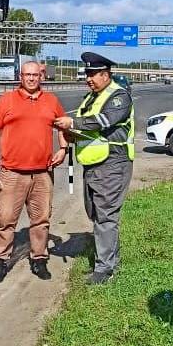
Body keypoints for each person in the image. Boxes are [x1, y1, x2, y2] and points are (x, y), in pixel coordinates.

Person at [54, 52, 134, 285]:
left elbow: (104, 121)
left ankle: (104, 270)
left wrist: (73, 123)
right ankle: (111, 259)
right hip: (93, 164)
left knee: (106, 216)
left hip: (112, 163)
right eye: (86, 74)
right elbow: (89, 130)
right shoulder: (91, 97)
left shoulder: (118, 96)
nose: (88, 78)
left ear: (106, 74)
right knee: (96, 213)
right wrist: (71, 134)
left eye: (92, 74)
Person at [0, 61, 68, 283]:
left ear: (41, 76)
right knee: (5, 218)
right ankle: (1, 260)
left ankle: (39, 259)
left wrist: (63, 148)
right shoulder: (7, 100)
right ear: (20, 76)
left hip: (42, 174)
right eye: (27, 75)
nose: (31, 78)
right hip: (12, 173)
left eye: (35, 75)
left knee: (41, 219)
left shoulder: (51, 101)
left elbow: (62, 126)